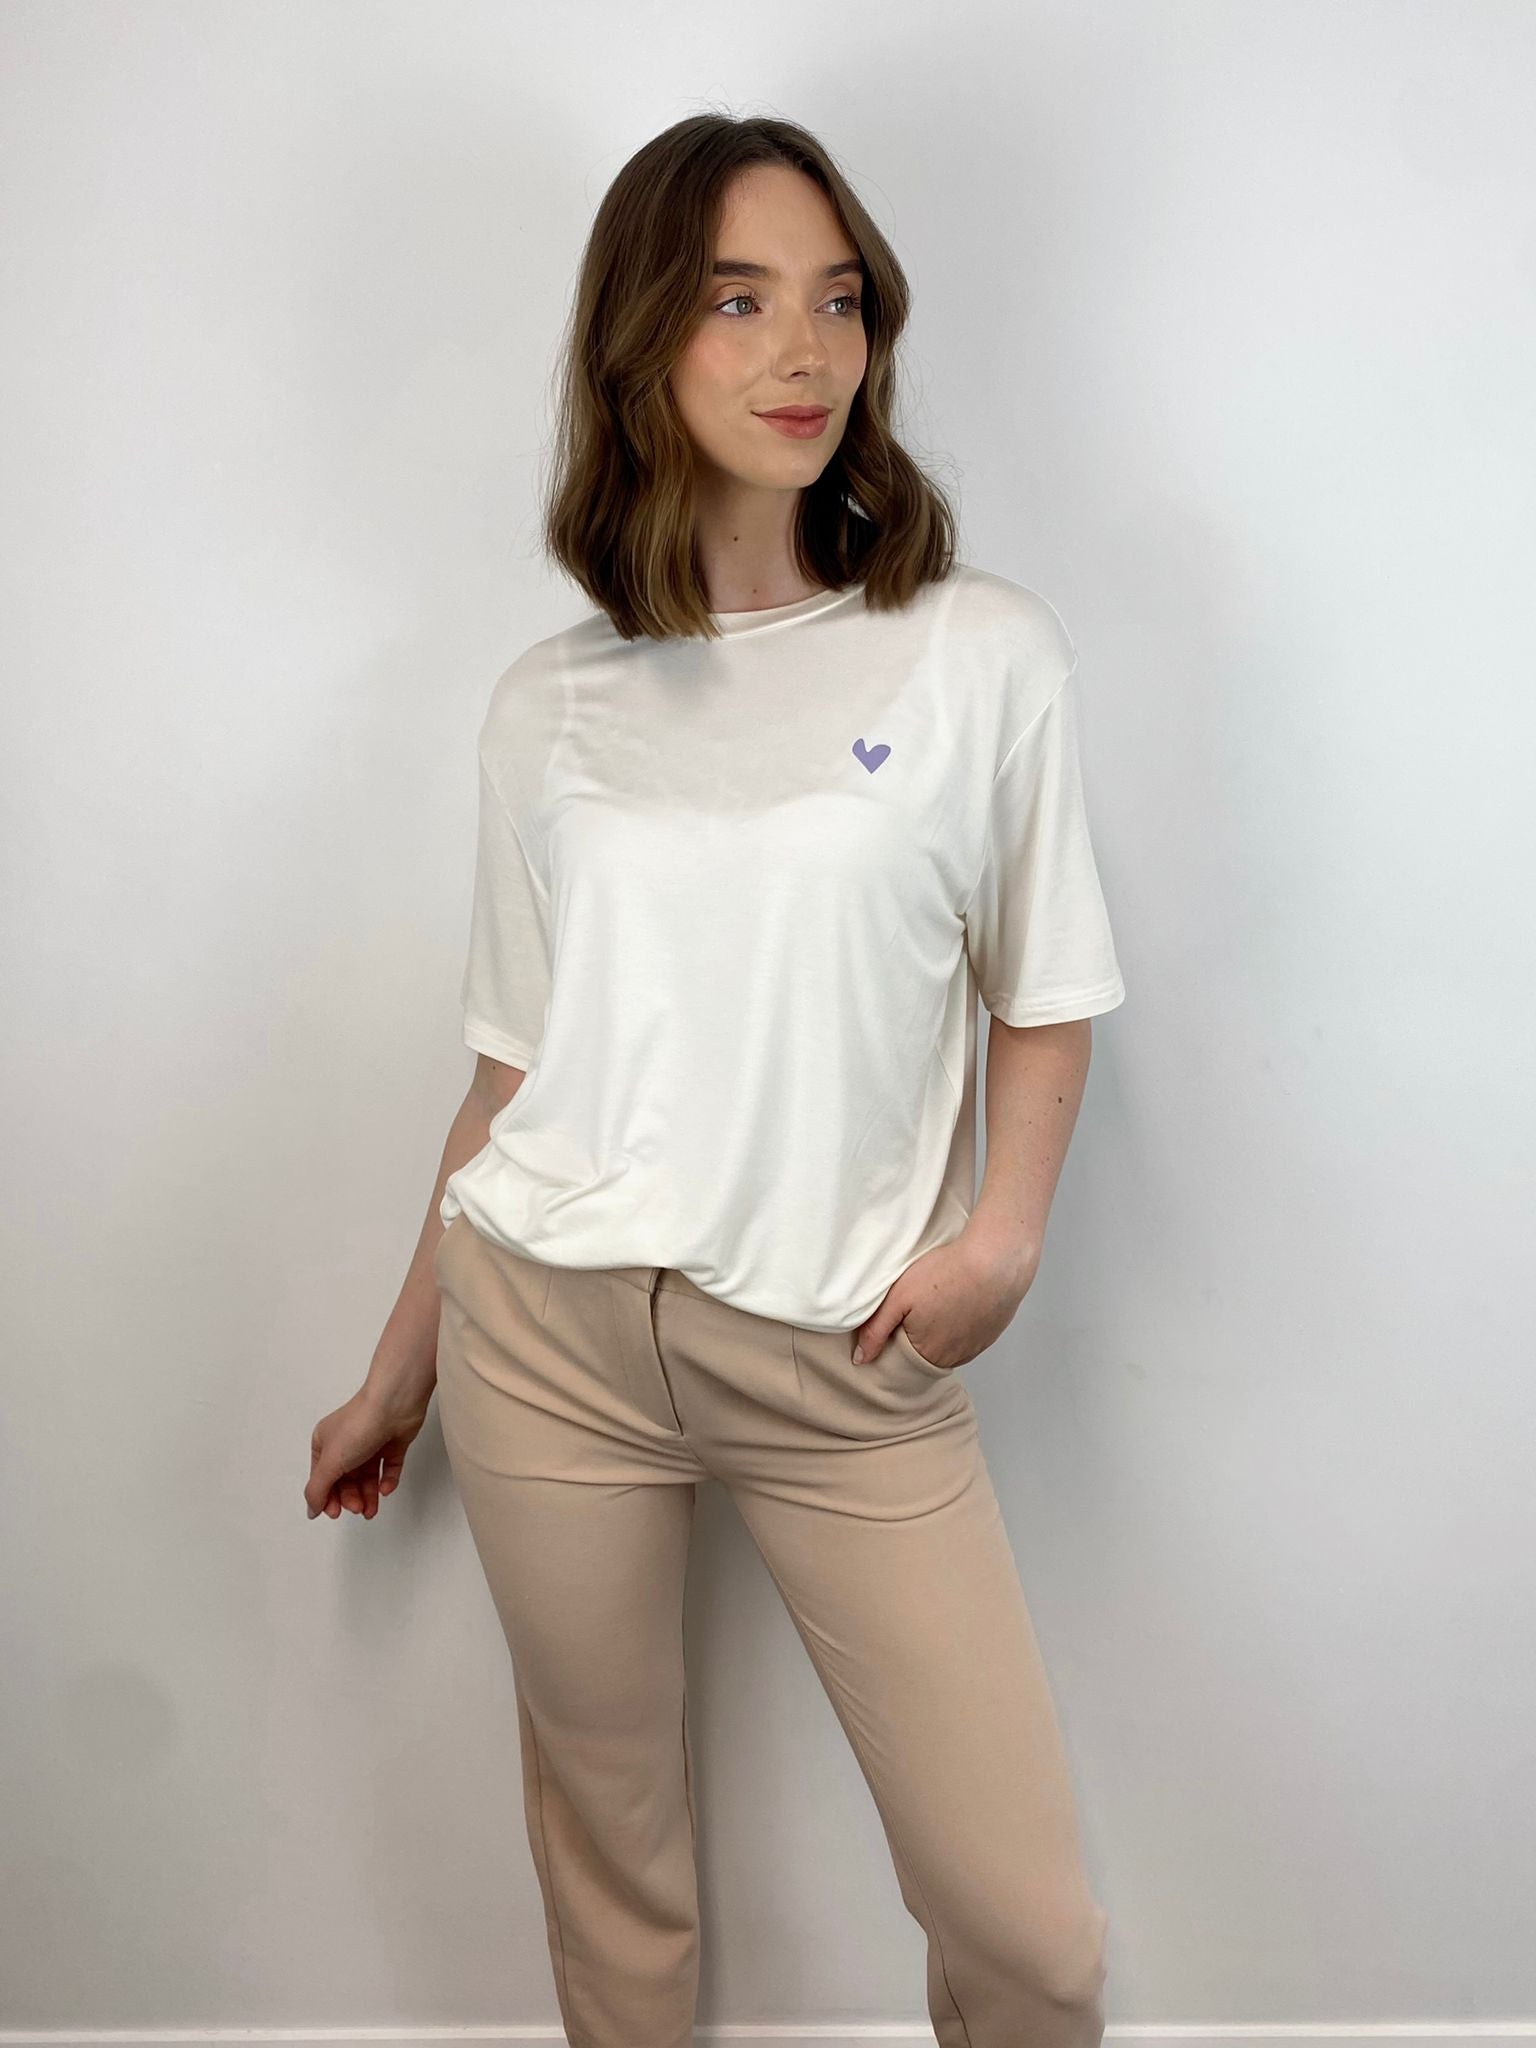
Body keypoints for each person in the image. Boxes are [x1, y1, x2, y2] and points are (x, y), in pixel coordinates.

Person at [306, 112, 1126, 2048]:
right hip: (548, 1338)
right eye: (738, 301)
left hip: (845, 1352)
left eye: (838, 301)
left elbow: (1046, 990)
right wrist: (402, 1369)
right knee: (616, 1869)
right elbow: (514, 1075)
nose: (804, 352)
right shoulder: (550, 701)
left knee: (1030, 1939)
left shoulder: (977, 651)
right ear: (640, 342)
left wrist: (1003, 1241)